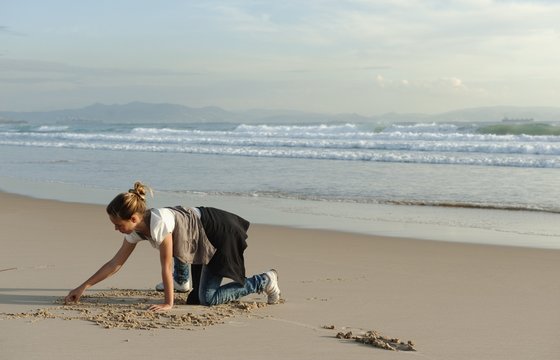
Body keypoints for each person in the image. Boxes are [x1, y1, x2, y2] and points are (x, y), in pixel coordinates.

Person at [64, 181, 281, 312]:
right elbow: (115, 263)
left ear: (132, 218)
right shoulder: (137, 228)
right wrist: (84, 286)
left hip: (217, 234)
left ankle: (264, 281)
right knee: (192, 294)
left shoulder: (158, 224)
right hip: (197, 231)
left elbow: (165, 265)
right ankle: (182, 280)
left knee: (207, 299)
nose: (116, 229)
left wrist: (169, 303)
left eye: (118, 225)